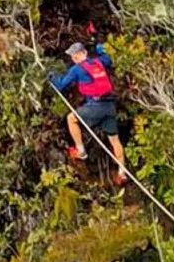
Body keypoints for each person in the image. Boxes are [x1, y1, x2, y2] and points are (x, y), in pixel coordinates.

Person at [50, 38, 127, 185]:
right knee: (115, 140)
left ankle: (81, 151)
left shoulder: (77, 69)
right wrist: (98, 45)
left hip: (96, 106)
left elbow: (60, 85)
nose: (73, 59)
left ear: (77, 56)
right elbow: (107, 57)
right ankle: (122, 172)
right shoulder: (99, 62)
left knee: (71, 118)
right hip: (110, 106)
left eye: (73, 56)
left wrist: (51, 76)